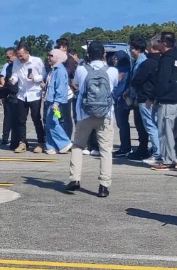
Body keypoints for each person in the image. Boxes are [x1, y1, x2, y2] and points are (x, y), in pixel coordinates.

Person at [67, 42, 118, 198]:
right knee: (105, 150)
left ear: (88, 54)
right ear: (104, 54)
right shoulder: (112, 71)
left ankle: (74, 179)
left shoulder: (81, 69)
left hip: (84, 113)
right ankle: (104, 185)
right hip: (106, 114)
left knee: (78, 146)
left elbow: (75, 84)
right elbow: (113, 87)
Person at [151, 32, 177, 171]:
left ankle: (169, 159)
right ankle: (170, 158)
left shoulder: (167, 59)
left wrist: (156, 97)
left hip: (168, 98)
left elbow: (163, 81)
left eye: (159, 41)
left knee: (165, 130)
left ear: (164, 43)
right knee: (168, 128)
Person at [9, 45, 45, 154]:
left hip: (34, 94)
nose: (20, 58)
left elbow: (43, 74)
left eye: (21, 56)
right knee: (21, 120)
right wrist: (13, 79)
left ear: (27, 52)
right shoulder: (16, 62)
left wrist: (35, 78)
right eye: (18, 56)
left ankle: (41, 142)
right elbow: (15, 74)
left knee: (36, 118)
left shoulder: (37, 61)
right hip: (22, 94)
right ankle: (22, 142)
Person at [128, 37, 160, 161]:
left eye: (132, 49)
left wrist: (133, 92)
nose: (131, 51)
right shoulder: (151, 61)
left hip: (145, 97)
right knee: (151, 125)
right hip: (148, 97)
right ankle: (155, 150)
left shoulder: (145, 62)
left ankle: (157, 153)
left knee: (150, 126)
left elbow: (138, 80)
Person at [43, 49, 72, 154]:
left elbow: (60, 88)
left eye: (51, 55)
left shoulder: (60, 70)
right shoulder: (53, 69)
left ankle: (64, 142)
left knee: (52, 122)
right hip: (50, 100)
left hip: (56, 102)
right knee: (49, 122)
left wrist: (56, 103)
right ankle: (51, 146)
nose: (48, 57)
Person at [112, 50, 133, 157]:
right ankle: (125, 146)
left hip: (121, 100)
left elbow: (118, 87)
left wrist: (113, 96)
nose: (114, 60)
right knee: (124, 124)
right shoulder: (129, 69)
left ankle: (125, 147)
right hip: (124, 100)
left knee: (122, 124)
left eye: (116, 58)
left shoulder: (121, 71)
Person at [56, 38, 79, 136]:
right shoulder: (57, 60)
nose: (56, 49)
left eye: (58, 47)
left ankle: (69, 138)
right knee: (59, 116)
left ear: (64, 47)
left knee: (69, 117)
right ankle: (62, 138)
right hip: (60, 92)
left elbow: (66, 73)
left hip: (70, 92)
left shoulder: (69, 60)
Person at [0, 48, 18, 147]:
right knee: (8, 118)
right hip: (10, 94)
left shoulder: (19, 65)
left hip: (19, 95)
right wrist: (3, 94)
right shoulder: (7, 66)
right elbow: (2, 78)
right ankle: (5, 138)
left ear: (15, 55)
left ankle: (16, 139)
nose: (7, 59)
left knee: (17, 119)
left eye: (8, 57)